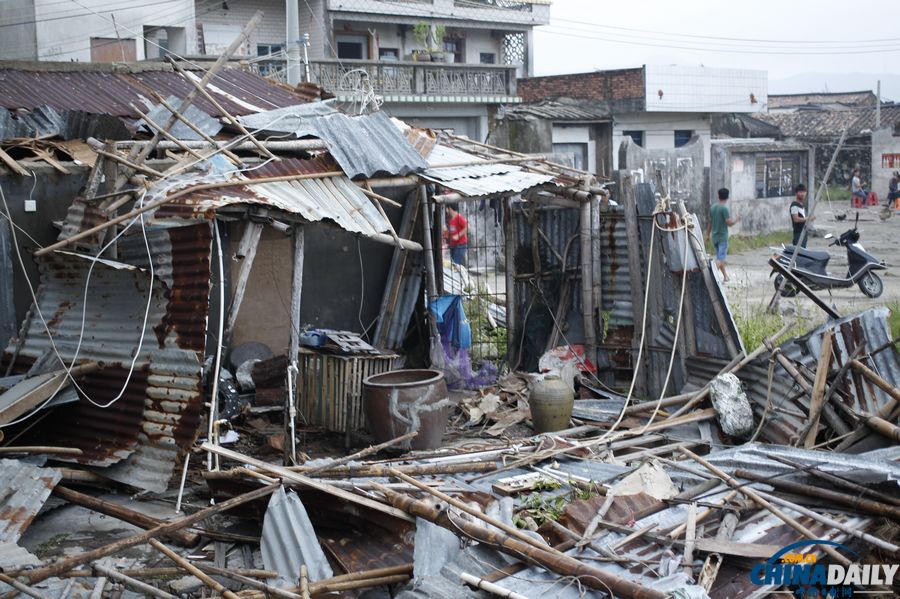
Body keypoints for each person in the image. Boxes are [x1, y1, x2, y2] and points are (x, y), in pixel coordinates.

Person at [708, 188, 739, 282]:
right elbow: (729, 223)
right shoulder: (724, 209)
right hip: (722, 238)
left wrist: (707, 235)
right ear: (727, 197)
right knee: (720, 259)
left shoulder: (713, 208)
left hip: (714, 237)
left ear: (718, 196)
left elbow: (710, 223)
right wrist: (737, 219)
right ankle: (710, 277)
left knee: (720, 258)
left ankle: (725, 276)